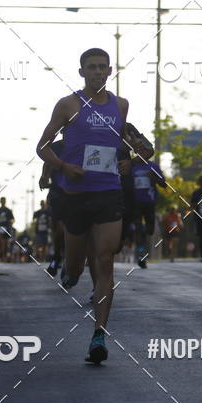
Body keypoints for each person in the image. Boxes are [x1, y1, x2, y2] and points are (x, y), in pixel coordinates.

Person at [36, 47, 129, 365]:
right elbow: (42, 146)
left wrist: (130, 159)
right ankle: (70, 270)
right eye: (92, 67)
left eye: (103, 67)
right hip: (75, 195)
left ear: (110, 71)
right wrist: (64, 167)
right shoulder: (69, 105)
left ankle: (99, 334)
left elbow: (121, 142)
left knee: (104, 262)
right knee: (76, 267)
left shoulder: (121, 105)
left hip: (108, 192)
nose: (98, 72)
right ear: (81, 72)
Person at [131, 141, 166, 268]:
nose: (142, 153)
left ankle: (142, 245)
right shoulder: (132, 166)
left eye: (144, 151)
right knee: (138, 230)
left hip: (149, 202)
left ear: (149, 153)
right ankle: (141, 255)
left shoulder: (153, 166)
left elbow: (164, 184)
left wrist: (154, 177)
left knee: (149, 230)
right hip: (135, 203)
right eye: (139, 151)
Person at [40, 140, 66, 277]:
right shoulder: (56, 146)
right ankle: (56, 258)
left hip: (81, 191)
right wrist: (44, 177)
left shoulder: (84, 142)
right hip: (58, 192)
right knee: (59, 228)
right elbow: (47, 162)